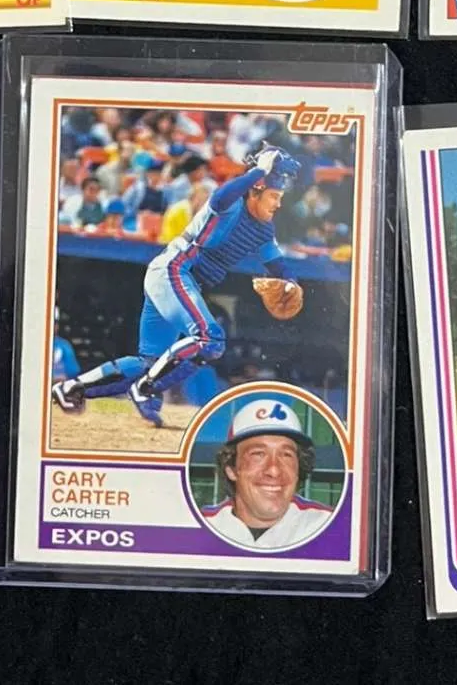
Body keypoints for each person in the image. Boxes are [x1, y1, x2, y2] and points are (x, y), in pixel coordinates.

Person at [51, 148, 301, 425]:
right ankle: (145, 388)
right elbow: (222, 196)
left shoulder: (264, 230)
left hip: (178, 280)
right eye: (274, 196)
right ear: (255, 190)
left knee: (150, 363)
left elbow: (277, 264)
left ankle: (71, 388)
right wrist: (260, 171)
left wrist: (291, 282)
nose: (278, 204)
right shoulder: (231, 205)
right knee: (210, 339)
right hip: (174, 270)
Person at [201, 398, 334, 550]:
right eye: (258, 454)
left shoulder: (330, 525)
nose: (274, 470)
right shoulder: (200, 525)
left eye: (286, 455)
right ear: (231, 469)